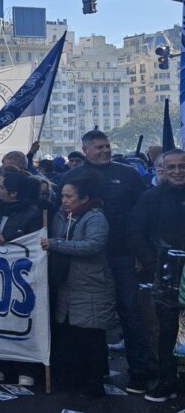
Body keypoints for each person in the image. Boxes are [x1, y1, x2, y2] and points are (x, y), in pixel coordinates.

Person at [60, 130, 153, 394]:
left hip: (122, 255)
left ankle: (140, 372)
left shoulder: (129, 175)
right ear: (85, 149)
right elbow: (60, 213)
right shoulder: (70, 177)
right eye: (98, 147)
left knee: (130, 313)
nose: (104, 151)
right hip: (84, 259)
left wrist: (139, 253)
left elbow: (141, 216)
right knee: (89, 318)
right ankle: (93, 373)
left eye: (107, 146)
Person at [42, 176, 116, 398]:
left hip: (91, 284)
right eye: (62, 195)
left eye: (69, 196)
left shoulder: (95, 217)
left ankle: (94, 382)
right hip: (68, 284)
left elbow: (94, 245)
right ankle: (76, 377)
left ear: (84, 198)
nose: (63, 200)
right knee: (72, 334)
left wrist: (56, 244)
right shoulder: (62, 216)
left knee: (91, 336)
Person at [128, 148, 185, 402]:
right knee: (167, 330)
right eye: (170, 167)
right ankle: (167, 380)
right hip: (166, 274)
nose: (177, 171)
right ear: (161, 168)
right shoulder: (150, 198)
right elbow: (136, 233)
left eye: (182, 166)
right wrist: (155, 263)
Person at [0, 168, 44, 386]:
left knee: (19, 319)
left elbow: (33, 238)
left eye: (1, 187)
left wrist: (8, 238)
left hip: (22, 274)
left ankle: (24, 366)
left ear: (14, 193)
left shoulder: (33, 211)